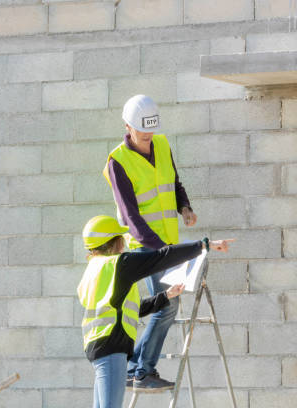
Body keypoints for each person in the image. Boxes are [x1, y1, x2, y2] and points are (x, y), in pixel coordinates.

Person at [78, 215, 233, 408]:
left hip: (99, 346)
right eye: (121, 239)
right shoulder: (119, 264)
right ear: (113, 241)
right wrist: (203, 245)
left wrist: (164, 296)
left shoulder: (94, 269)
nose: (123, 244)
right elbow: (161, 257)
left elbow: (130, 308)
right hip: (111, 347)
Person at [102, 95, 198, 390]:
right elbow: (131, 216)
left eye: (150, 134)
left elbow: (175, 183)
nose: (147, 140)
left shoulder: (163, 144)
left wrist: (185, 207)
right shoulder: (117, 162)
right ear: (127, 126)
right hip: (146, 245)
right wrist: (161, 251)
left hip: (168, 243)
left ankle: (137, 369)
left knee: (168, 304)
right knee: (167, 305)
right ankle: (140, 370)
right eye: (142, 134)